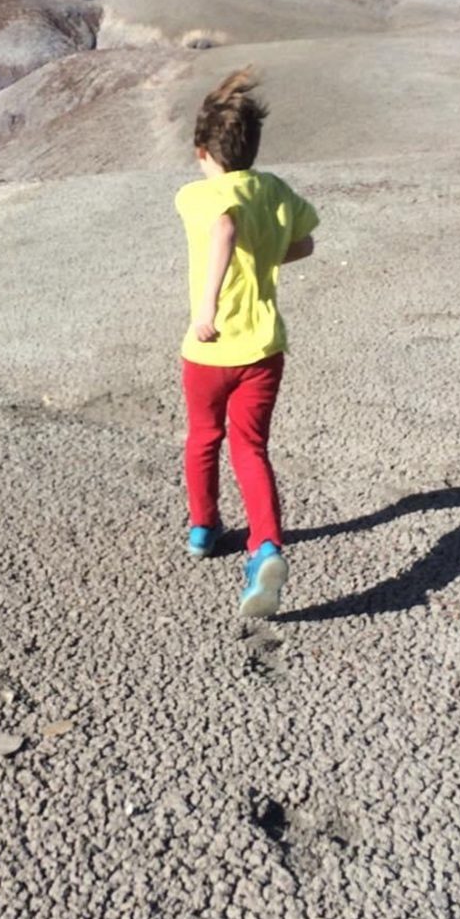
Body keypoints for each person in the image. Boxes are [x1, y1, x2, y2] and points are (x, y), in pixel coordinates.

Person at [175, 67, 318, 618]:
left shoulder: (197, 196)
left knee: (203, 437)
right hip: (262, 349)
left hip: (210, 349)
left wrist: (206, 307)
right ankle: (265, 547)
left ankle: (203, 528)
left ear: (202, 152)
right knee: (251, 447)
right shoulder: (274, 189)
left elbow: (225, 228)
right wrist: (267, 255)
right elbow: (304, 244)